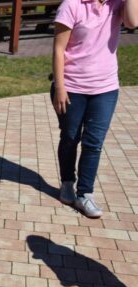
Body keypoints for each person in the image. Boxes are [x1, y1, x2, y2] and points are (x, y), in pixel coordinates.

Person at [52, 0, 138, 217]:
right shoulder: (71, 5)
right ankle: (67, 182)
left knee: (94, 143)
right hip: (72, 87)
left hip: (105, 88)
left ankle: (85, 194)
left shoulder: (117, 4)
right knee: (70, 137)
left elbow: (132, 22)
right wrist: (60, 87)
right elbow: (59, 49)